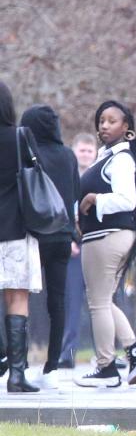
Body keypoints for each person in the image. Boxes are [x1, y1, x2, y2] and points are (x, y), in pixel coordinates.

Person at [75, 100, 136, 388]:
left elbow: (127, 199)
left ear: (126, 128)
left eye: (111, 121)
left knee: (97, 303)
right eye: (101, 121)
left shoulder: (120, 159)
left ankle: (106, 367)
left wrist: (95, 199)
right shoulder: (106, 157)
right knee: (104, 300)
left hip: (107, 237)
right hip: (108, 236)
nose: (104, 126)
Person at [18, 105, 79, 390]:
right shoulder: (68, 155)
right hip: (63, 237)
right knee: (58, 302)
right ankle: (52, 366)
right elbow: (74, 193)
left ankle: (18, 363)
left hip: (32, 236)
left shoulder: (25, 154)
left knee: (19, 300)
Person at [0, 82, 42, 393]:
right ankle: (17, 375)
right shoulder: (19, 137)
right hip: (15, 229)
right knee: (17, 298)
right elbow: (35, 174)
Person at [59, 133, 97, 369]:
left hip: (97, 243)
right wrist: (68, 240)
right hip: (73, 246)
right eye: (81, 150)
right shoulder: (65, 178)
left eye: (89, 151)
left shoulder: (100, 178)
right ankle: (68, 352)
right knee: (72, 301)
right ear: (74, 152)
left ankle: (105, 354)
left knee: (102, 301)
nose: (85, 155)